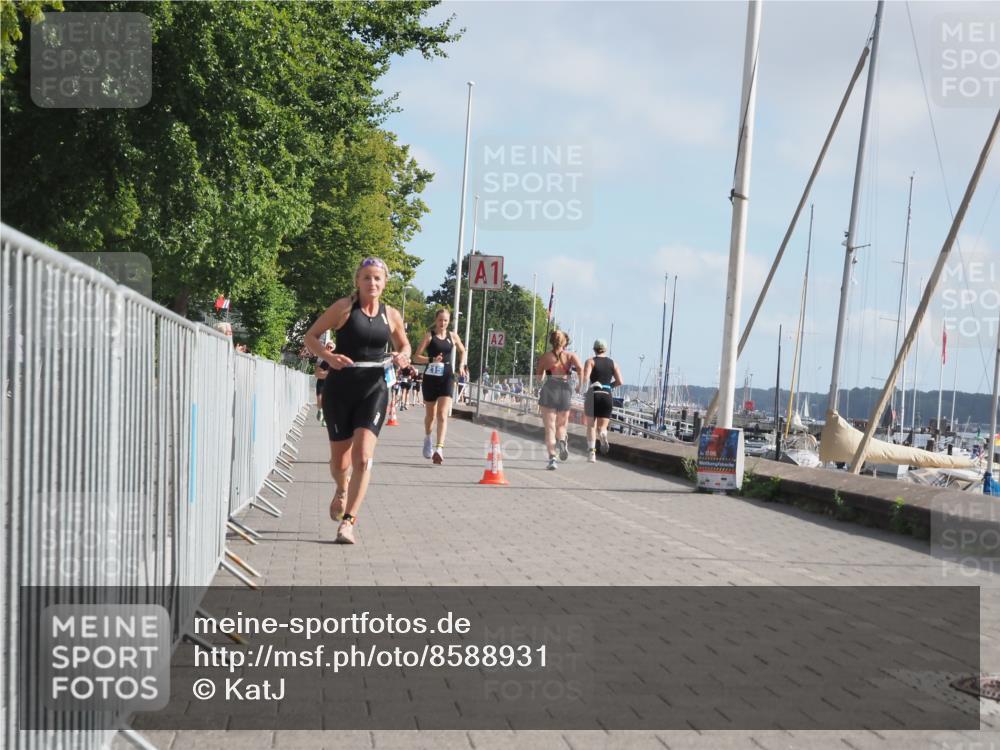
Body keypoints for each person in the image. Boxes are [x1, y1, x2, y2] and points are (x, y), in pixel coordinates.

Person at [304, 257, 411, 544]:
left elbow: (404, 344)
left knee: (363, 457)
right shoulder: (343, 308)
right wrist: (327, 357)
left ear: (385, 282)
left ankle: (348, 522)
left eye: (377, 278)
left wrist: (403, 356)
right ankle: (341, 488)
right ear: (357, 281)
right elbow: (310, 336)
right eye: (367, 278)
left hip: (374, 389)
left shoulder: (391, 315)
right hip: (340, 389)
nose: (372, 283)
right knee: (340, 462)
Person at [413, 308, 468, 464]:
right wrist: (431, 360)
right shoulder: (429, 336)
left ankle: (439, 448)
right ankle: (428, 438)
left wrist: (462, 365)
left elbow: (463, 350)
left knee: (443, 414)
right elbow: (416, 356)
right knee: (431, 415)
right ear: (436, 320)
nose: (442, 323)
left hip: (447, 378)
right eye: (440, 320)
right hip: (431, 378)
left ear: (448, 321)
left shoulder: (453, 336)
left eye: (445, 320)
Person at [536, 330, 584, 470]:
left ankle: (552, 459)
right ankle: (562, 441)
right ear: (565, 342)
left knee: (550, 428)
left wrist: (544, 372)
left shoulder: (545, 357)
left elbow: (539, 378)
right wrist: (579, 385)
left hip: (550, 389)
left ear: (551, 341)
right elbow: (580, 368)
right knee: (561, 426)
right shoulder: (570, 356)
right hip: (565, 390)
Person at [582, 339, 623, 463]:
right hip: (606, 394)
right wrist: (609, 386)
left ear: (594, 349)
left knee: (591, 426)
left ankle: (591, 454)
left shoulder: (590, 361)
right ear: (605, 349)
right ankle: (604, 434)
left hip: (593, 394)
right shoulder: (613, 363)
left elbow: (585, 378)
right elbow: (620, 381)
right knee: (602, 427)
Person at [314, 340, 334, 423]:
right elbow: (317, 371)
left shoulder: (335, 357)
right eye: (327, 346)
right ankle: (320, 410)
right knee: (319, 399)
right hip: (321, 381)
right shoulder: (321, 357)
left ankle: (325, 419)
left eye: (331, 347)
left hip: (331, 383)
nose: (329, 348)